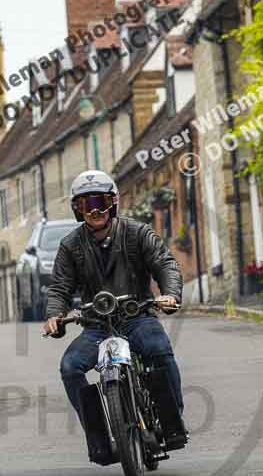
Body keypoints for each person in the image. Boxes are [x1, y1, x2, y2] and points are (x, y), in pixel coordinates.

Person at [43, 170, 186, 434]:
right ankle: (97, 433)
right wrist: (55, 314)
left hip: (138, 317)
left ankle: (172, 421)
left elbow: (165, 263)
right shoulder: (70, 245)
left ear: (113, 203)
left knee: (159, 349)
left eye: (100, 202)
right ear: (77, 209)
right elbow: (59, 286)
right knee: (70, 367)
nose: (94, 210)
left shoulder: (137, 232)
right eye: (86, 204)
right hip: (97, 326)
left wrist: (170, 294)